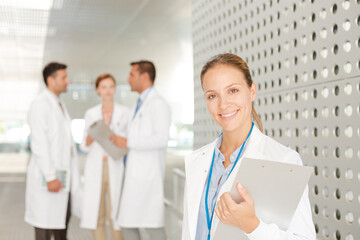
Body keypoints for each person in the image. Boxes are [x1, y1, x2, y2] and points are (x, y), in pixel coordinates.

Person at [181, 53, 316, 240]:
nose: (223, 104)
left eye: (233, 91)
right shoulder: (197, 161)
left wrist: (252, 225)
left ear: (252, 91)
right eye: (212, 96)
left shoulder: (284, 160)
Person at [112, 60, 171, 240]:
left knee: (152, 226)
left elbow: (161, 138)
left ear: (144, 76)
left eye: (132, 75)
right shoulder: (138, 104)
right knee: (128, 223)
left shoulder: (158, 104)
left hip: (148, 176)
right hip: (135, 174)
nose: (128, 79)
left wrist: (128, 141)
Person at [25, 62, 81, 240]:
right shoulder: (41, 104)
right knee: (44, 229)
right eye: (63, 77)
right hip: (49, 180)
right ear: (50, 80)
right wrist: (50, 176)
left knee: (60, 229)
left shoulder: (59, 104)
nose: (68, 81)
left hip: (63, 180)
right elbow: (39, 143)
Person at [80, 73, 130, 240]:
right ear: (97, 90)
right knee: (97, 212)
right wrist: (91, 135)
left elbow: (129, 141)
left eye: (111, 86)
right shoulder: (91, 113)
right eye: (104, 87)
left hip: (115, 165)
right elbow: (83, 146)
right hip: (96, 167)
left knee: (115, 213)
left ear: (115, 89)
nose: (108, 90)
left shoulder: (125, 112)